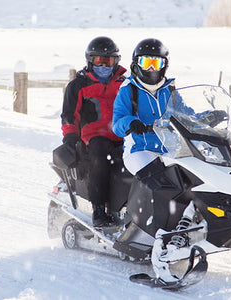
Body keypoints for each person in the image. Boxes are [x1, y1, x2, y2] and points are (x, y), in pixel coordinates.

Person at [57, 36, 127, 227]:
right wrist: (70, 137)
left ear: (116, 62)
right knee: (100, 155)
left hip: (123, 135)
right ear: (90, 61)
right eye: (99, 61)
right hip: (93, 137)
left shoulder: (125, 84)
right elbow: (69, 115)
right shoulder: (78, 85)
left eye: (108, 61)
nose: (104, 66)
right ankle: (98, 209)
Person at [112, 38, 175, 175]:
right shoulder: (129, 89)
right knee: (157, 179)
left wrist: (207, 118)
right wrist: (131, 123)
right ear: (137, 64)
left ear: (164, 65)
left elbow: (186, 115)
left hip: (172, 150)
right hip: (140, 150)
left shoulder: (169, 90)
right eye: (146, 63)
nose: (151, 69)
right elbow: (117, 124)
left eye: (156, 63)